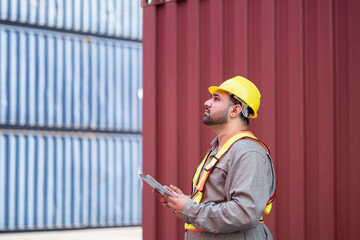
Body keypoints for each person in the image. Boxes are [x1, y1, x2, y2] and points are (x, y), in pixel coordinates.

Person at [153, 76, 276, 240]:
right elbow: (219, 201)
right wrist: (183, 201)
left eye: (216, 99)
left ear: (235, 110)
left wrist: (189, 209)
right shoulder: (219, 148)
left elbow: (245, 212)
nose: (207, 103)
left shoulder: (248, 152)